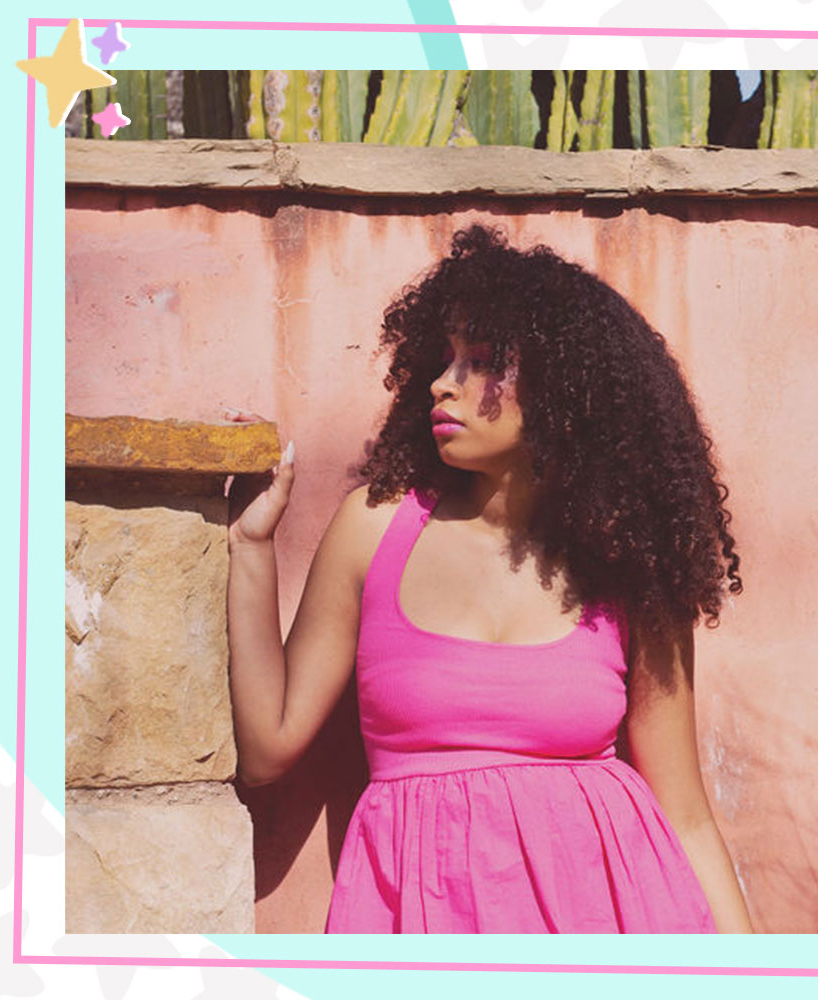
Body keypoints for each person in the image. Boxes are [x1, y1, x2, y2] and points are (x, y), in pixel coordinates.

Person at [227, 224, 753, 934]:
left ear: (564, 387)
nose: (443, 384)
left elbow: (685, 814)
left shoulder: (627, 563)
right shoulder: (376, 528)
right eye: (443, 358)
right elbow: (266, 749)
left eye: (481, 361)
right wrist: (251, 544)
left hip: (616, 930)